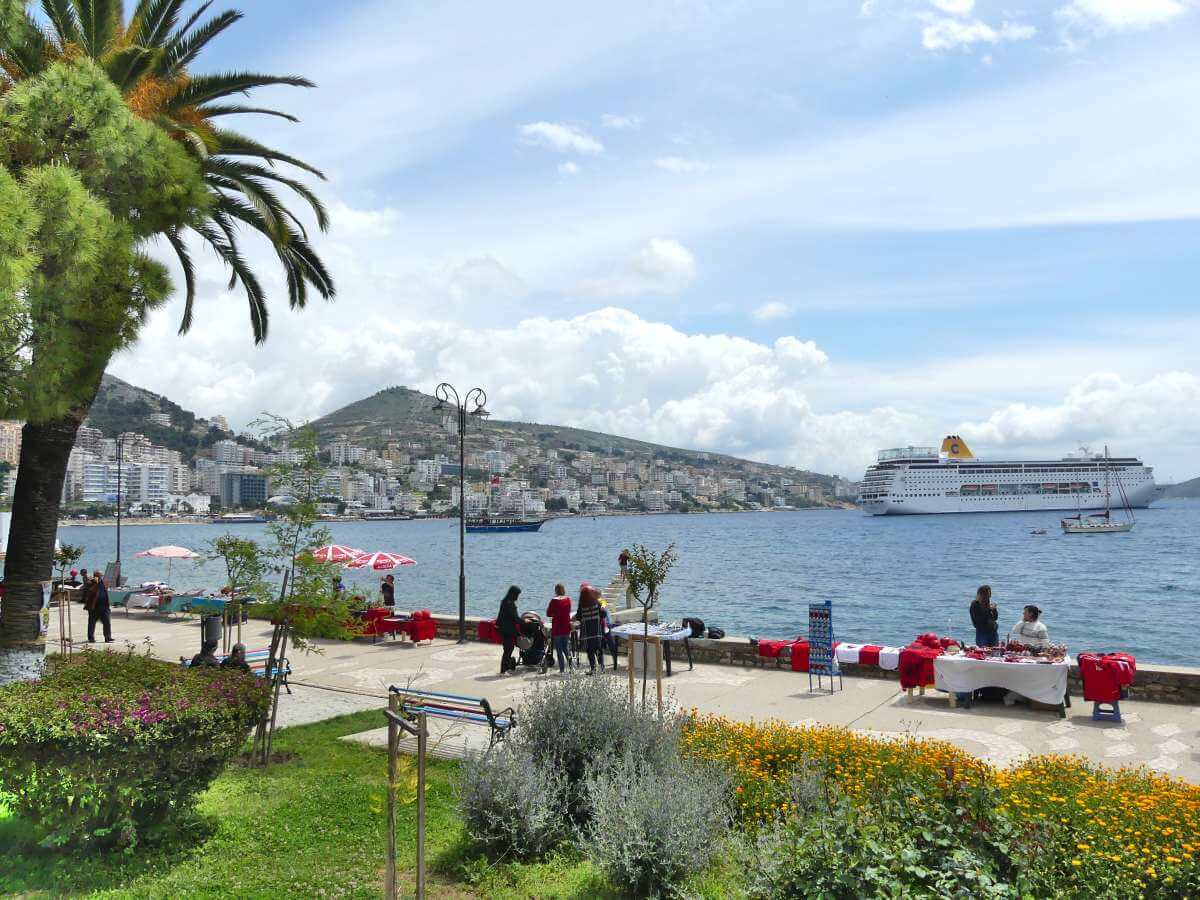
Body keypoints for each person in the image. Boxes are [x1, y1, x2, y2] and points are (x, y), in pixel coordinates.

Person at [575, 582, 604, 674]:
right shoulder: (597, 602)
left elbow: (579, 617)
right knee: (598, 649)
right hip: (596, 629)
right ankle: (602, 668)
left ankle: (593, 669)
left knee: (590, 650)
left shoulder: (582, 604)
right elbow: (603, 613)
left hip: (587, 631)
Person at [546, 584, 574, 674]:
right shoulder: (568, 599)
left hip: (557, 627)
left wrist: (555, 613)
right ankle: (571, 668)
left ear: (556, 591)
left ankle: (562, 670)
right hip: (566, 627)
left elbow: (548, 613)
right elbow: (569, 611)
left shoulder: (554, 601)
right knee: (566, 648)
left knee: (559, 649)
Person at [497, 585, 521, 674]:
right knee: (508, 649)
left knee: (508, 649)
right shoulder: (509, 604)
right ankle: (503, 670)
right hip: (508, 630)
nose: (518, 597)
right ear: (514, 594)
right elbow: (514, 617)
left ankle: (505, 667)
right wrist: (524, 621)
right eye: (517, 594)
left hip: (504, 629)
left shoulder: (505, 602)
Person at [87, 571, 113, 643]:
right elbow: (90, 590)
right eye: (99, 575)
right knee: (92, 622)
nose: (100, 577)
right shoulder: (91, 582)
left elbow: (106, 591)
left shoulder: (104, 582)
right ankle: (91, 637)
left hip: (105, 606)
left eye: (101, 575)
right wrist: (95, 583)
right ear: (95, 575)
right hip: (94, 606)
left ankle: (108, 637)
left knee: (107, 621)